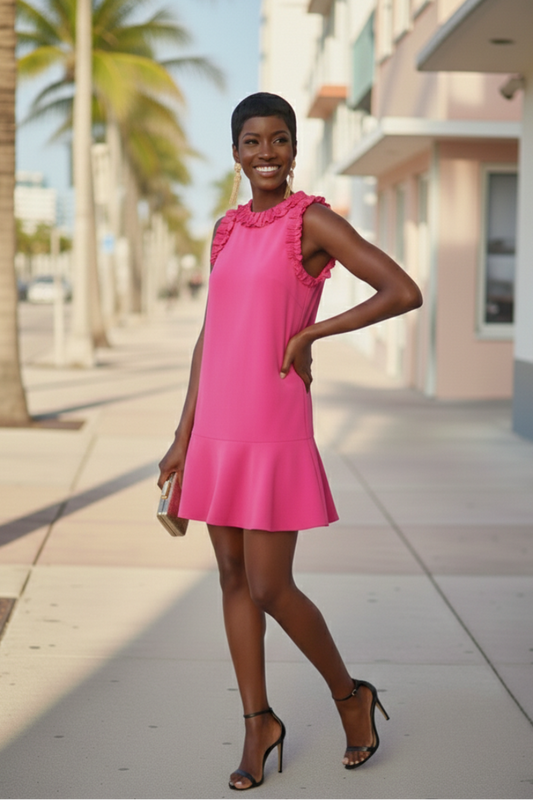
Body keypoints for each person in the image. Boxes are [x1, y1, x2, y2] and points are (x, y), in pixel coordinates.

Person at [158, 92, 422, 791]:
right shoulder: (224, 229)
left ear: (295, 149)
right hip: (215, 424)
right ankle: (258, 725)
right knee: (232, 578)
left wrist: (311, 332)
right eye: (252, 141)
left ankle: (348, 695)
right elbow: (210, 336)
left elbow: (400, 289)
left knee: (271, 585)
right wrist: (182, 436)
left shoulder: (311, 221)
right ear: (236, 152)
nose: (266, 152)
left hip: (271, 421)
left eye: (279, 139)